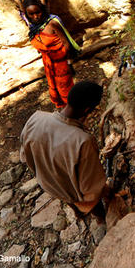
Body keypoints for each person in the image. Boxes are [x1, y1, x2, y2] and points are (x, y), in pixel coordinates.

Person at [20, 81, 108, 217]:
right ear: (87, 110)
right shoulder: (83, 141)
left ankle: (77, 212)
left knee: (67, 193)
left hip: (47, 184)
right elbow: (90, 188)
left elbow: (25, 156)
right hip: (71, 192)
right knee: (93, 202)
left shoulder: (36, 118)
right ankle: (100, 218)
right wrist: (105, 191)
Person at [23, 0, 80, 108]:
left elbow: (66, 44)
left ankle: (74, 109)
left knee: (65, 87)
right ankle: (64, 108)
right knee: (54, 86)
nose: (36, 16)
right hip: (48, 64)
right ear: (27, 15)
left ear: (42, 10)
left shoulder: (52, 23)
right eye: (31, 14)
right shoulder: (33, 28)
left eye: (37, 12)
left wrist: (68, 63)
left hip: (61, 62)